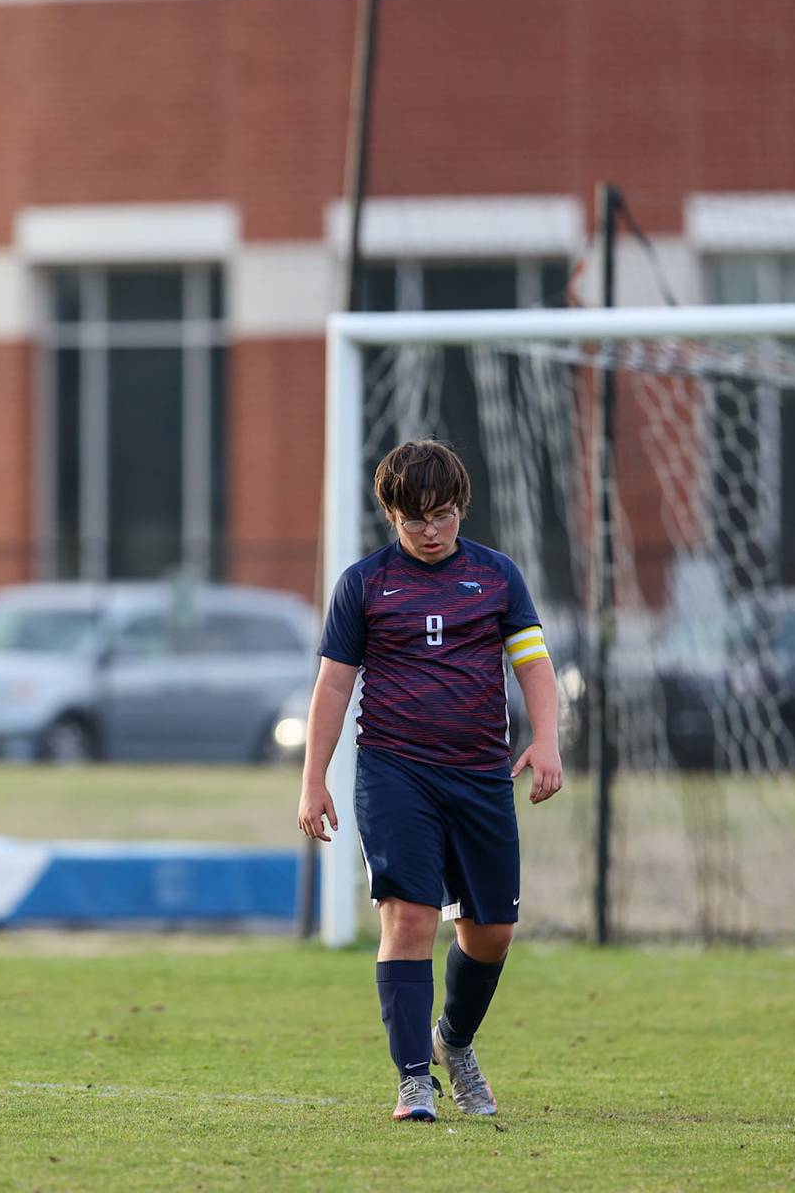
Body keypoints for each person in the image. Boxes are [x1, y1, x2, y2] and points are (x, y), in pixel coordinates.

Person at [297, 438, 564, 1123]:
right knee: (409, 919)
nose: (430, 530)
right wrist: (313, 780)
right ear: (390, 515)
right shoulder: (364, 583)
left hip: (479, 776)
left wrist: (546, 740)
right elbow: (332, 686)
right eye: (413, 519)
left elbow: (533, 664)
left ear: (460, 507)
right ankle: (415, 1077)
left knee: (492, 932)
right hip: (394, 773)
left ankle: (454, 1041)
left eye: (441, 515)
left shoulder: (498, 576)